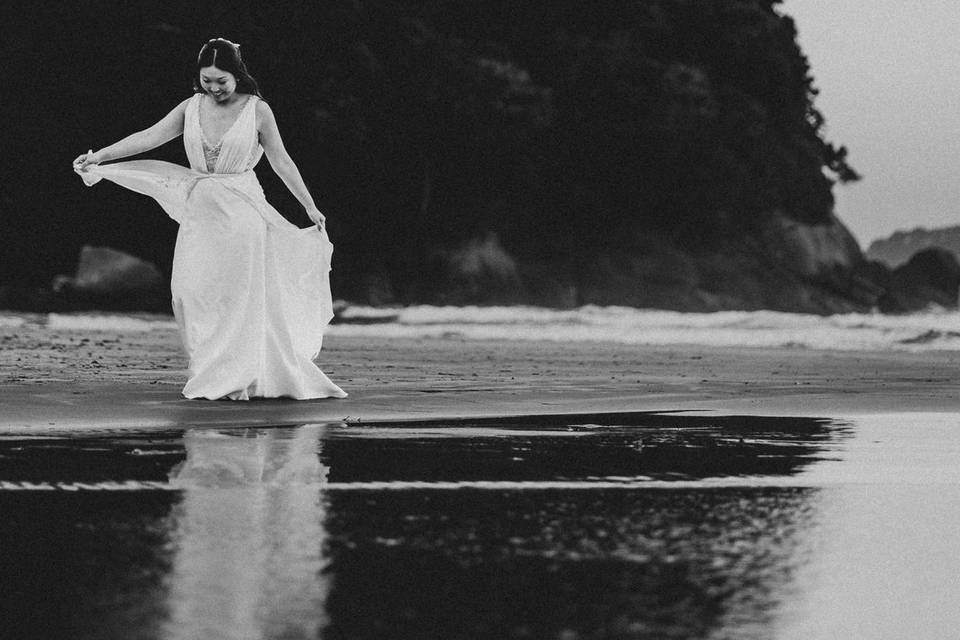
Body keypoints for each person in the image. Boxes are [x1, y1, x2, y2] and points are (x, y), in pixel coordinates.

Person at [73, 38, 347, 401]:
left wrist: (309, 205)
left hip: (241, 212)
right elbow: (150, 137)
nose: (214, 88)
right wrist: (100, 156)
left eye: (222, 81)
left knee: (238, 295)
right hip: (201, 214)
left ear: (237, 76)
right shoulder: (191, 106)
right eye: (207, 81)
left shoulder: (257, 110)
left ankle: (241, 374)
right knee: (193, 292)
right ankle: (215, 368)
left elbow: (282, 161)